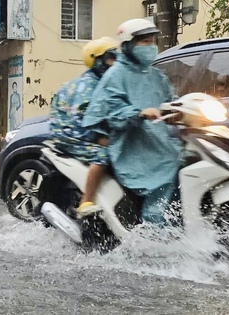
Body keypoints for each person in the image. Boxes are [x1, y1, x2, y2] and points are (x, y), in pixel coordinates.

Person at [82, 19, 184, 224]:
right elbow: (112, 111)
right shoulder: (115, 75)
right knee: (165, 171)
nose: (151, 47)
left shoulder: (156, 74)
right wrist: (138, 113)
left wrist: (181, 112)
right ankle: (154, 226)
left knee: (188, 159)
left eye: (153, 41)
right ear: (129, 45)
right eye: (145, 42)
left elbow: (171, 102)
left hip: (158, 140)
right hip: (132, 145)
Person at [49, 37, 119, 218]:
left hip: (77, 133)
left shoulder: (101, 81)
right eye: (110, 57)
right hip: (73, 137)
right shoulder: (89, 85)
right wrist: (101, 138)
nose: (114, 61)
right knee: (103, 154)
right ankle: (86, 202)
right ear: (97, 60)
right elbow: (86, 121)